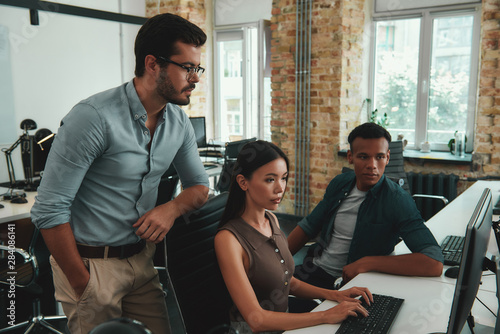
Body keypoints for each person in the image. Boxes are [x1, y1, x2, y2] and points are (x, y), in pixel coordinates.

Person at [31, 13, 210, 334]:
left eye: (197, 68)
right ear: (152, 64)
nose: (196, 78)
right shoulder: (93, 118)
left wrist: (172, 208)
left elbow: (199, 187)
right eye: (187, 68)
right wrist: (81, 282)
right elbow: (48, 210)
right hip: (91, 267)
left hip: (141, 262)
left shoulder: (179, 123)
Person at [214, 140, 373, 334]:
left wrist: (336, 295)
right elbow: (257, 320)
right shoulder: (228, 240)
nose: (281, 188)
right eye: (270, 180)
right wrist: (326, 314)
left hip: (286, 324)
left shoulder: (271, 219)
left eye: (284, 178)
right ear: (243, 182)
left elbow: (288, 281)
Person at [288, 122, 444, 292]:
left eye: (379, 157)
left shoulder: (397, 200)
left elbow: (433, 263)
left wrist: (367, 263)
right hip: (316, 272)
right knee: (268, 297)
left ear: (388, 158)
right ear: (350, 157)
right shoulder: (340, 184)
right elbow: (308, 227)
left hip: (357, 283)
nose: (372, 165)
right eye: (363, 157)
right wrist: (274, 261)